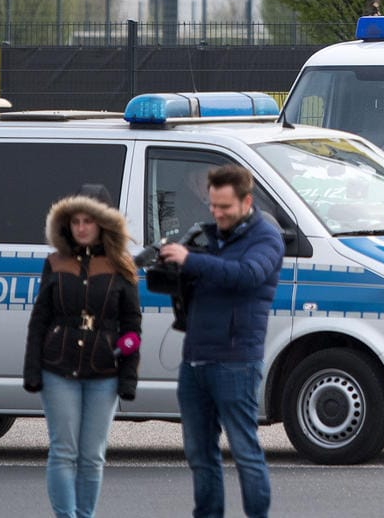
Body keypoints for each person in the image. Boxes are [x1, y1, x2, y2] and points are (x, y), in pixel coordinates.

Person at [156, 166, 282, 518]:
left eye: (225, 207)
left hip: (236, 359)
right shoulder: (208, 235)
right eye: (213, 205)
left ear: (246, 201)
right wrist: (171, 264)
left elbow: (246, 276)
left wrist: (192, 260)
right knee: (199, 453)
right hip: (195, 357)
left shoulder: (266, 239)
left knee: (244, 451)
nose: (217, 213)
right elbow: (198, 275)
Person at [23, 191, 142, 518]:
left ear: (102, 223)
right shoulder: (55, 262)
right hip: (57, 369)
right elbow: (39, 320)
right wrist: (32, 371)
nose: (81, 227)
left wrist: (128, 377)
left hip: (104, 372)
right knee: (63, 452)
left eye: (88, 220)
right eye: (75, 221)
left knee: (92, 456)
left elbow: (132, 326)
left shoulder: (121, 266)